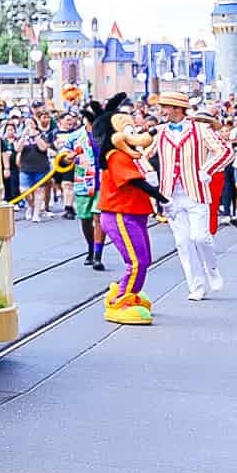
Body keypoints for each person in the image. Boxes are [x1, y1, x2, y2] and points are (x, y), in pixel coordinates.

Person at [147, 92, 229, 301]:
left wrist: (207, 169)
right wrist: (150, 176)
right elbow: (142, 155)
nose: (161, 111)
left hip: (195, 192)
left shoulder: (200, 129)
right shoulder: (160, 131)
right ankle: (197, 286)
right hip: (170, 196)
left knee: (200, 237)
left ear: (177, 108)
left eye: (164, 107)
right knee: (183, 243)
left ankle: (212, 268)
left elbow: (225, 151)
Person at [92, 93, 165, 325]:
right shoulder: (115, 156)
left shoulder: (127, 155)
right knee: (136, 261)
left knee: (144, 259)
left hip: (134, 213)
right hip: (120, 214)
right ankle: (120, 300)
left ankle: (126, 293)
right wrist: (159, 196)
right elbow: (134, 181)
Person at [61, 107, 105, 269]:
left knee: (98, 217)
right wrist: (68, 157)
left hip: (103, 182)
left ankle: (98, 255)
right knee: (85, 218)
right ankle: (91, 247)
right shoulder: (74, 137)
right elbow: (62, 159)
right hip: (83, 182)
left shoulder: (107, 134)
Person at [15, 113, 53, 223]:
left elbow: (43, 148)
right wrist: (23, 136)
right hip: (25, 167)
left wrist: (35, 135)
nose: (29, 125)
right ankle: (30, 205)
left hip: (40, 166)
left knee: (39, 190)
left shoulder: (42, 135)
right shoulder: (21, 136)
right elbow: (18, 149)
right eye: (26, 123)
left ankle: (36, 214)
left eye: (31, 123)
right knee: (24, 190)